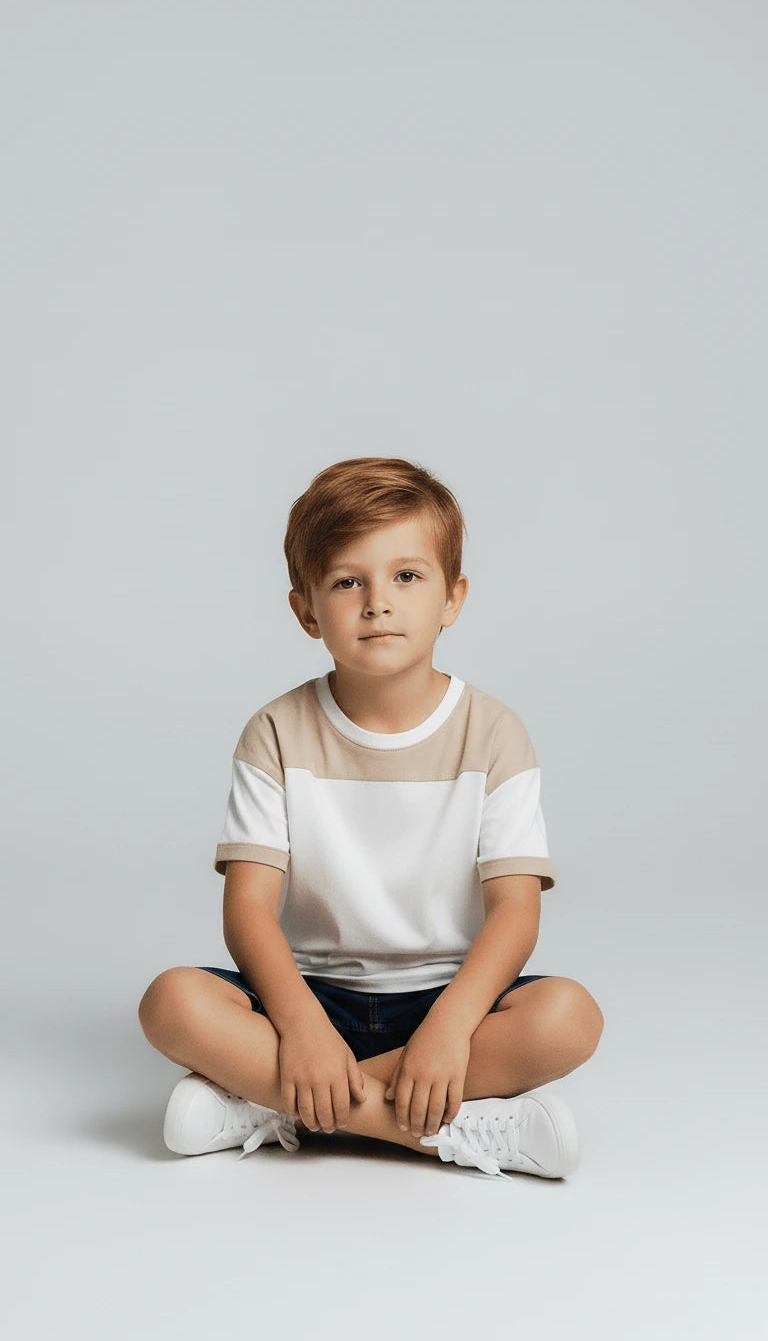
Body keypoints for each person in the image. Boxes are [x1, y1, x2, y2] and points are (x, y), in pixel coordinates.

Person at [138, 456, 604, 1180]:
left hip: (447, 998)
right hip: (307, 995)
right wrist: (299, 1028)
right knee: (171, 1002)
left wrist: (449, 1029)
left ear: (453, 597)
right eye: (347, 581)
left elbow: (514, 912)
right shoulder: (275, 731)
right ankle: (441, 1129)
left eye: (407, 577)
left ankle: (270, 1106)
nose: (377, 602)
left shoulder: (495, 733)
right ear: (306, 611)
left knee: (571, 1017)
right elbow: (249, 912)